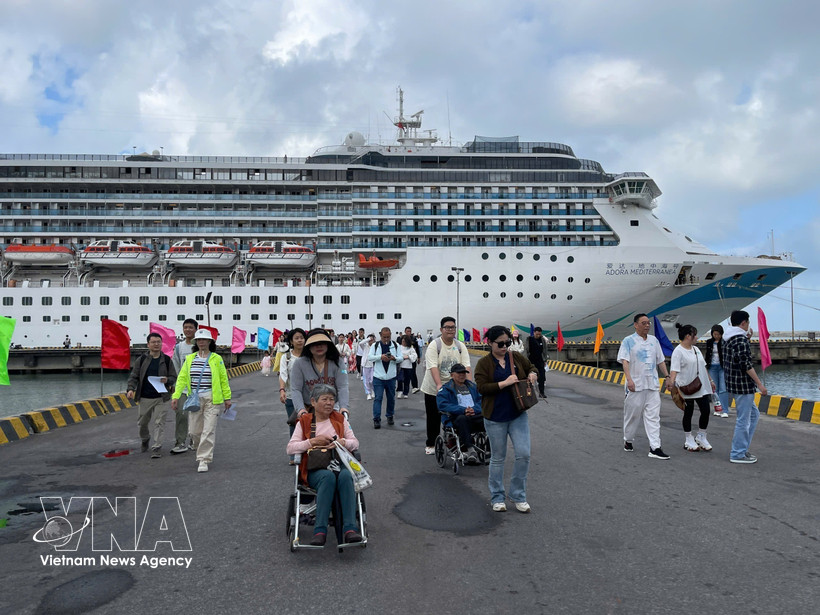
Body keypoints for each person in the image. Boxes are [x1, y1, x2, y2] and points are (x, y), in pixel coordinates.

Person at [286, 384, 362, 546]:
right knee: (327, 477)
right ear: (313, 402)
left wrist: (342, 442)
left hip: (339, 464)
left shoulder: (339, 419)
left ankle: (350, 529)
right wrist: (312, 442)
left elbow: (355, 443)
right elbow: (290, 448)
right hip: (315, 469)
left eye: (332, 399)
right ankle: (320, 530)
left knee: (347, 475)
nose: (329, 403)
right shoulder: (304, 422)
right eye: (325, 399)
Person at [474, 326, 538, 512]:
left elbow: (531, 366)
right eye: (500, 344)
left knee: (524, 454)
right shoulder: (484, 364)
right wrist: (504, 383)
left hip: (517, 414)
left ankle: (518, 495)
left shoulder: (515, 357)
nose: (504, 347)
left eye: (507, 343)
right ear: (490, 343)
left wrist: (533, 374)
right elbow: (481, 388)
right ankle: (497, 497)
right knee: (498, 458)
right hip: (494, 416)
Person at [171, 329, 232, 473]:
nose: (202, 342)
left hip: (212, 398)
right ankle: (201, 449)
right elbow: (181, 378)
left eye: (204, 340)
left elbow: (223, 379)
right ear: (196, 342)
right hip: (195, 398)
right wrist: (176, 396)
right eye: (199, 340)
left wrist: (227, 398)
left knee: (208, 430)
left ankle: (203, 459)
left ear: (210, 342)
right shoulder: (190, 359)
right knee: (194, 432)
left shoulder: (216, 359)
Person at [617, 313, 670, 459]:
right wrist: (629, 380)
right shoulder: (628, 341)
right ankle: (628, 440)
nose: (647, 326)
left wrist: (667, 376)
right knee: (632, 417)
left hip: (652, 385)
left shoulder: (654, 341)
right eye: (643, 323)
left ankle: (655, 447)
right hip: (635, 385)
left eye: (648, 323)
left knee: (653, 417)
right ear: (635, 325)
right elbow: (625, 361)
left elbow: (660, 361)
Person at [420, 316, 472, 455]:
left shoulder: (460, 346)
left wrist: (471, 386)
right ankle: (431, 443)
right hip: (433, 387)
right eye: (447, 327)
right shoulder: (435, 345)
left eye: (453, 327)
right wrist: (439, 385)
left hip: (454, 388)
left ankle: (457, 442)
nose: (450, 330)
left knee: (456, 414)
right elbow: (433, 367)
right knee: (433, 417)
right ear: (441, 329)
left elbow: (467, 366)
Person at [723, 310, 768, 464]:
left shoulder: (729, 338)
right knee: (744, 420)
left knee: (753, 415)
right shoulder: (740, 341)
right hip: (743, 385)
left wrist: (747, 338)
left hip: (733, 383)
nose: (749, 325)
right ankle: (737, 453)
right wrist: (760, 384)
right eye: (748, 322)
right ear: (743, 323)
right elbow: (746, 365)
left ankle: (742, 448)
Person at [127, 333, 177, 458]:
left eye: (158, 342)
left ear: (161, 343)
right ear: (148, 344)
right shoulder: (142, 360)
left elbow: (173, 377)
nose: (156, 344)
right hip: (145, 397)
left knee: (159, 423)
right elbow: (134, 376)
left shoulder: (166, 360)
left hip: (162, 397)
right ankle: (145, 439)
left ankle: (157, 447)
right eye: (153, 342)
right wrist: (130, 389)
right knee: (142, 423)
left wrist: (168, 380)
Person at [666, 324, 713, 452]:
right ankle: (688, 438)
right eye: (695, 334)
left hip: (700, 385)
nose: (696, 337)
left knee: (705, 410)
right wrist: (671, 383)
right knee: (689, 412)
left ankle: (702, 436)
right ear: (688, 336)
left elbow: (703, 366)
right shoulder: (678, 351)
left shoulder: (696, 349)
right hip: (686, 386)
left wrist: (710, 380)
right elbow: (674, 370)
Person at [290, 329, 350, 423]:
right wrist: (301, 409)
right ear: (308, 346)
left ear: (328, 345)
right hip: (309, 410)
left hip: (332, 408)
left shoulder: (338, 362)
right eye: (314, 343)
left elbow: (342, 387)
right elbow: (296, 389)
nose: (319, 346)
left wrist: (344, 407)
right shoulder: (299, 363)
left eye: (323, 343)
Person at [437, 363, 483, 463]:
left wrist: (474, 409)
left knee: (489, 417)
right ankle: (471, 450)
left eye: (464, 373)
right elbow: (442, 405)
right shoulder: (446, 389)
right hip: (456, 418)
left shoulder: (472, 386)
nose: (462, 375)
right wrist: (463, 410)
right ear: (452, 375)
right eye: (459, 373)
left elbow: (482, 400)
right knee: (463, 419)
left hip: (474, 415)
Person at [170, 318, 198, 454]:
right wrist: (175, 385)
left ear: (195, 329)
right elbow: (176, 365)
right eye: (185, 327)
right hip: (183, 387)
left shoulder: (200, 345)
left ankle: (194, 440)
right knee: (181, 415)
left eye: (190, 327)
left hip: (198, 387)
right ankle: (180, 442)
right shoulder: (179, 347)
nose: (187, 330)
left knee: (196, 415)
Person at [367, 327, 402, 428]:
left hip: (391, 377)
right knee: (378, 398)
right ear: (380, 335)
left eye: (388, 337)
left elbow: (400, 358)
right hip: (378, 377)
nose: (386, 339)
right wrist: (380, 357)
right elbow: (370, 357)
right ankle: (376, 419)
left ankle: (390, 415)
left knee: (391, 398)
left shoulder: (396, 345)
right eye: (384, 337)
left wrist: (394, 358)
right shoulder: (375, 345)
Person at [704, 324, 729, 418]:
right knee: (715, 389)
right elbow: (707, 355)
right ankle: (717, 409)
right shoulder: (709, 342)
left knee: (723, 389)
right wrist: (706, 366)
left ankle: (725, 410)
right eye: (715, 334)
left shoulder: (724, 342)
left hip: (722, 367)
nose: (716, 336)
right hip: (712, 367)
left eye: (718, 334)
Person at [526, 327, 549, 398]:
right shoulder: (529, 339)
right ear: (534, 332)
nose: (538, 336)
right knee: (529, 378)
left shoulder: (542, 340)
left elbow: (545, 350)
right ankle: (528, 393)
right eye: (537, 334)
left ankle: (541, 393)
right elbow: (526, 350)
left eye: (539, 334)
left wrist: (545, 360)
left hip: (540, 361)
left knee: (541, 378)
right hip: (531, 362)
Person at [397, 334, 418, 399]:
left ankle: (405, 392)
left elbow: (414, 356)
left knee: (407, 380)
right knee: (400, 379)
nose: (403, 343)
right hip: (401, 366)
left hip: (408, 366)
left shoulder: (411, 348)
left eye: (405, 341)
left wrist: (408, 356)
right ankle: (400, 391)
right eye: (402, 341)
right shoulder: (399, 347)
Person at [404, 326, 421, 393]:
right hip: (405, 358)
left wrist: (418, 357)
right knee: (404, 374)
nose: (409, 332)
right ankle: (403, 387)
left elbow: (417, 348)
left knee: (413, 372)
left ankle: (415, 387)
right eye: (408, 331)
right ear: (405, 331)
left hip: (412, 358)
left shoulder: (414, 339)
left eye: (410, 331)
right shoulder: (401, 339)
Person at [361, 333, 376, 401]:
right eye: (370, 340)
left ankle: (373, 390)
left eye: (372, 340)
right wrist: (368, 339)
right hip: (365, 365)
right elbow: (360, 343)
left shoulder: (375, 346)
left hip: (373, 365)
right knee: (366, 380)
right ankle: (368, 393)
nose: (371, 341)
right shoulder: (365, 346)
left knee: (372, 380)